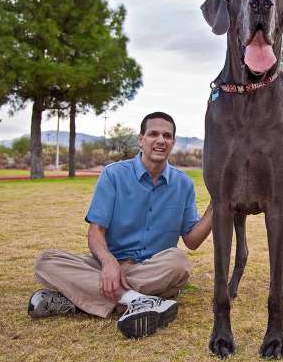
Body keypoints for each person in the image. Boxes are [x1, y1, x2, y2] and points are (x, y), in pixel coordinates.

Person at [28, 112, 213, 339]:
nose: (160, 140)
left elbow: (192, 241)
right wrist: (108, 263)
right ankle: (136, 300)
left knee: (179, 262)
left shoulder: (183, 184)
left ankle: (77, 300)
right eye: (153, 133)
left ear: (173, 142)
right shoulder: (113, 175)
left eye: (167, 135)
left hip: (152, 269)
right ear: (141, 139)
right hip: (108, 266)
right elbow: (96, 232)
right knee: (46, 262)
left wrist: (218, 205)